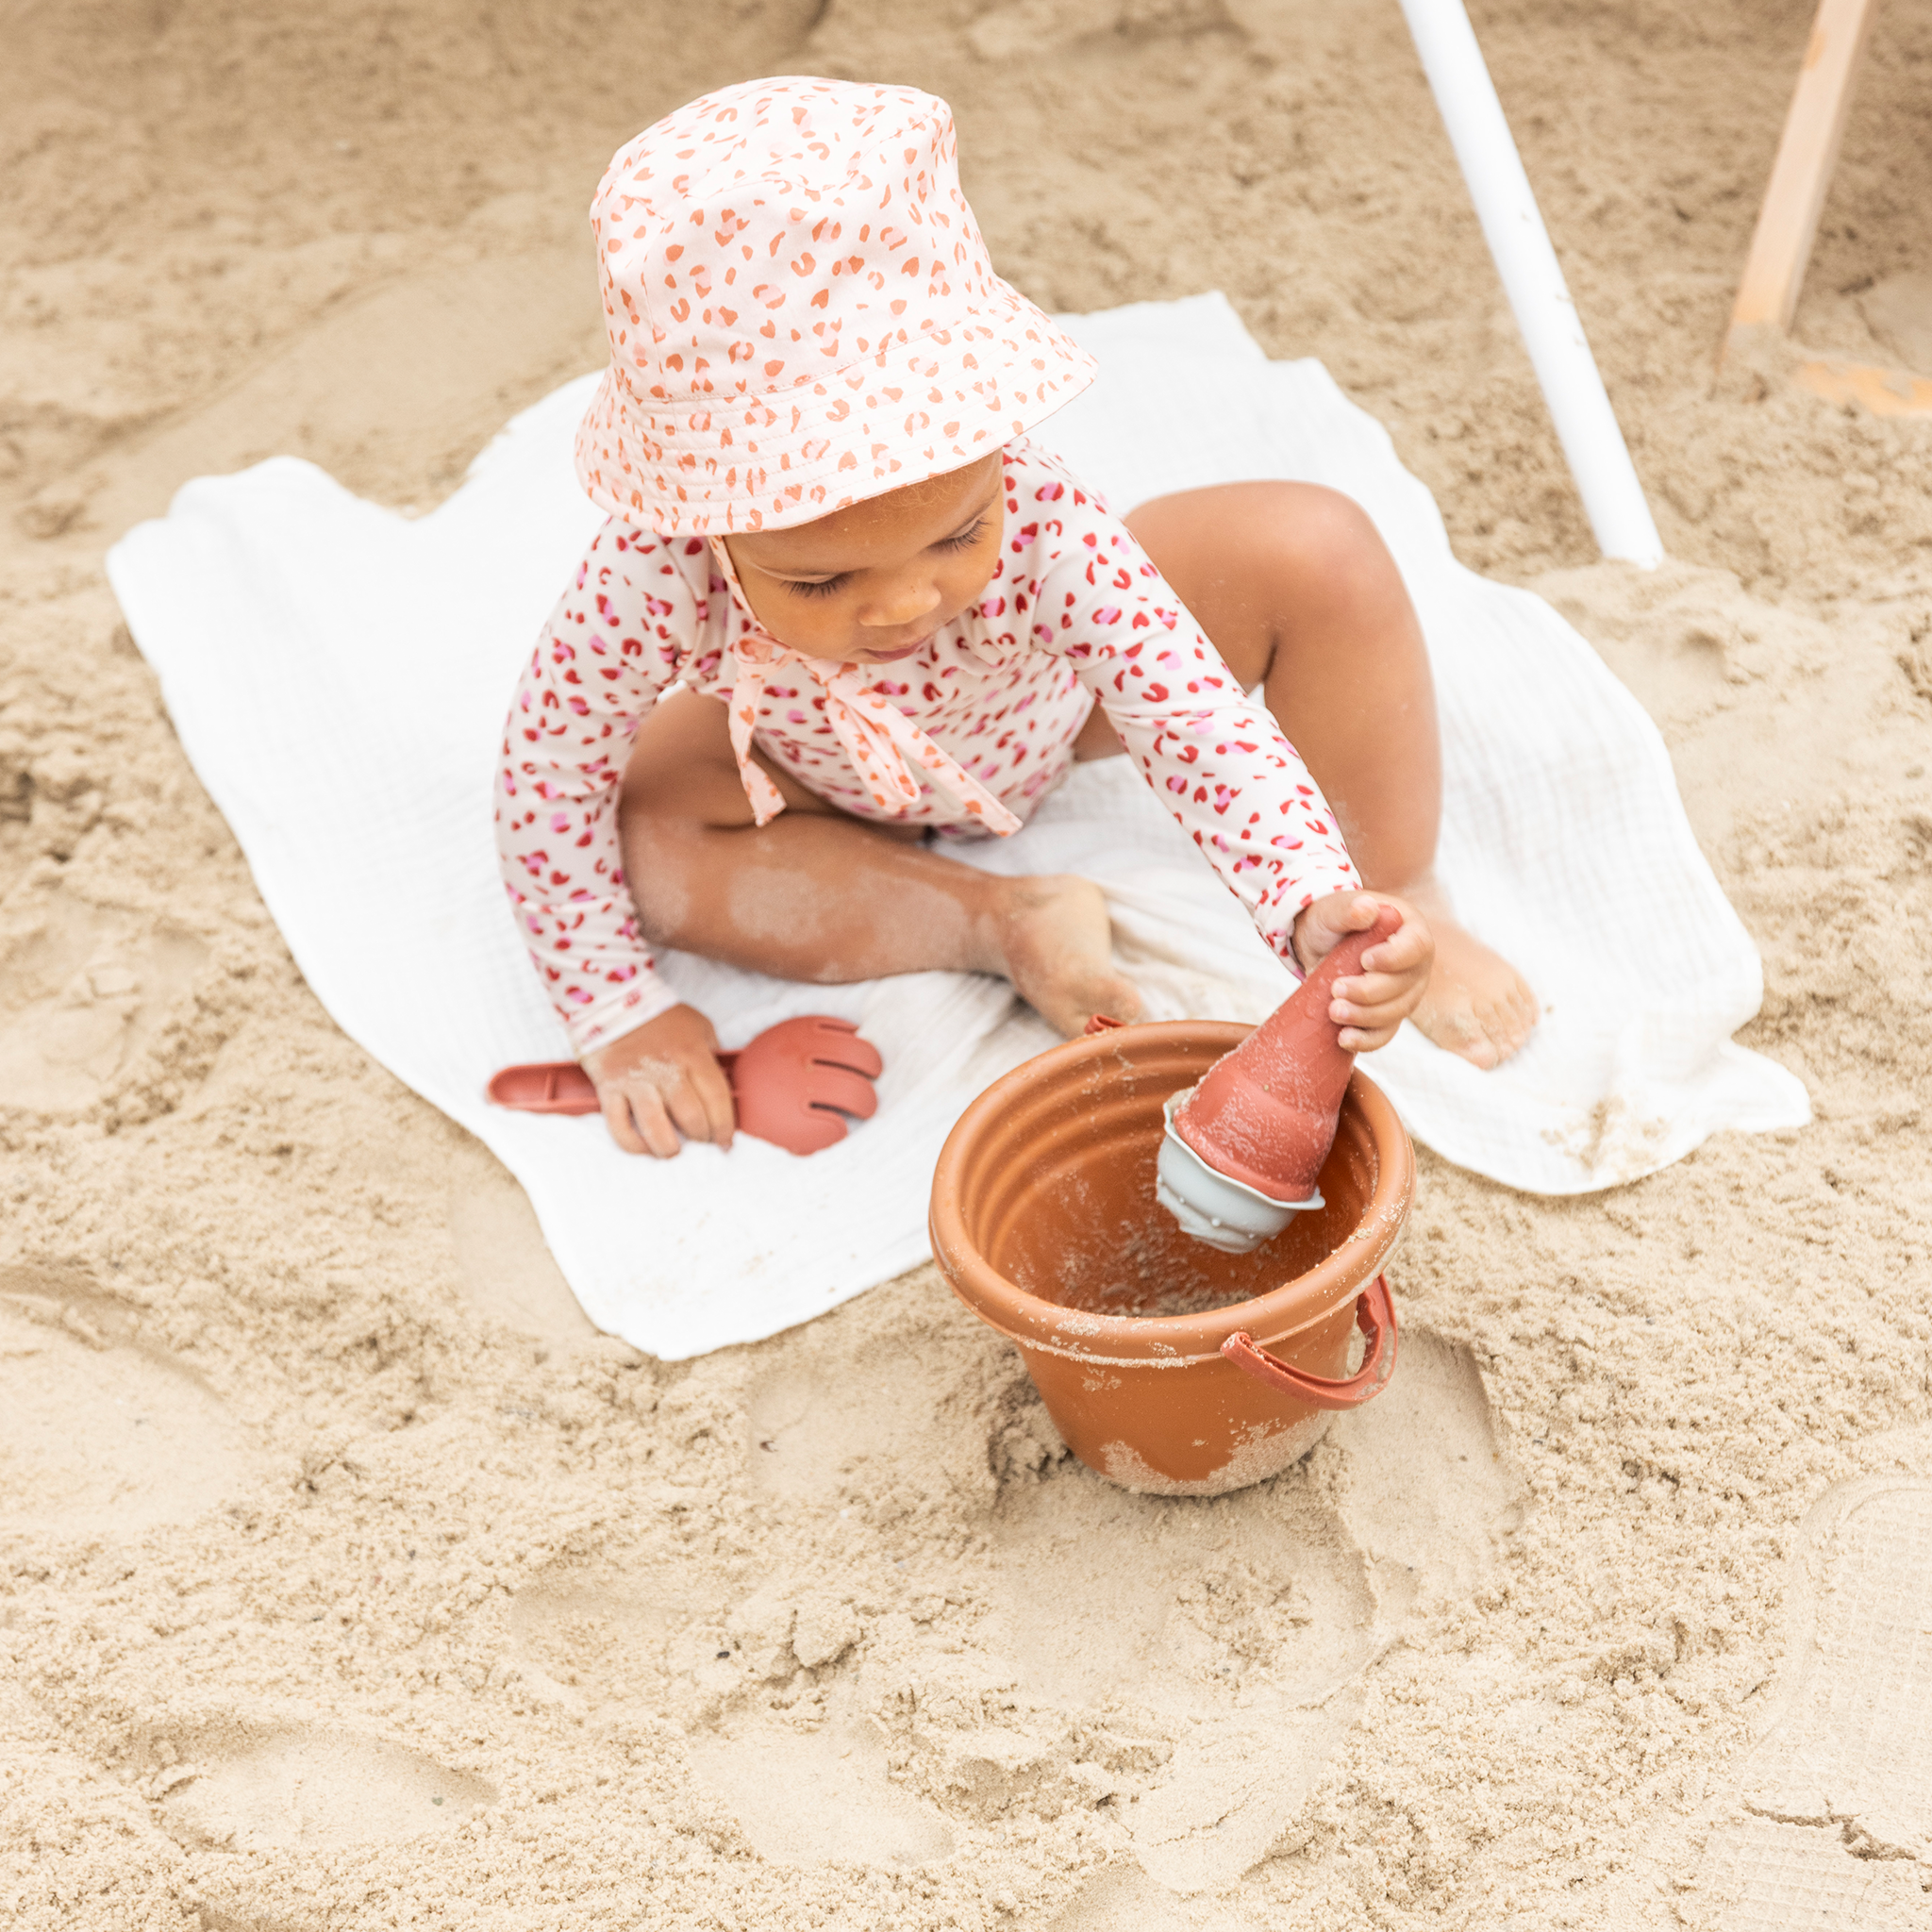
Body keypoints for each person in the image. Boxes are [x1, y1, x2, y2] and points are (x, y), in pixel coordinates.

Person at [496, 75, 1537, 1158]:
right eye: (817, 582)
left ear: (988, 440)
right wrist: (613, 1007)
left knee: (1315, 547)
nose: (903, 606)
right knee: (647, 834)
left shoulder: (1042, 515)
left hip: (1047, 710)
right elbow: (549, 768)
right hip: (818, 762)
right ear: (705, 516)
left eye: (952, 536)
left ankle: (1399, 887)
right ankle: (1002, 922)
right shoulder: (655, 563)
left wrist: (1311, 900)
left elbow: (1190, 721)